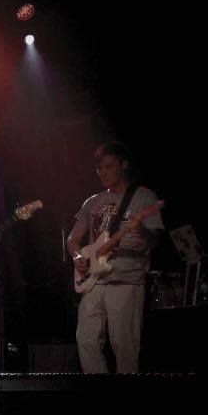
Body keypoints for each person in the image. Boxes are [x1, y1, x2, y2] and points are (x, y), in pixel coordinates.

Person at [66, 142, 163, 373]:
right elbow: (72, 239)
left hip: (126, 281)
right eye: (99, 168)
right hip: (93, 282)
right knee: (86, 341)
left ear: (124, 164)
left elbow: (156, 241)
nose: (103, 173)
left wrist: (142, 230)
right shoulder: (92, 201)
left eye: (109, 167)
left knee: (125, 348)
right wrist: (77, 256)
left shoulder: (144, 197)